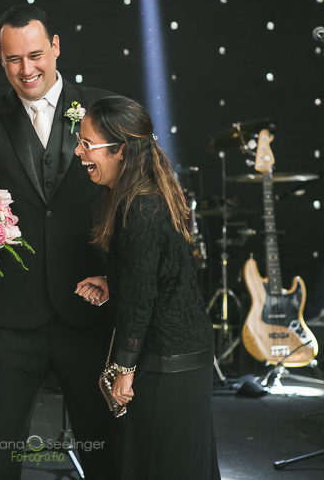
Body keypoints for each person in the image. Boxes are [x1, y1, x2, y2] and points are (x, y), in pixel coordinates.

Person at [0, 5, 122, 479]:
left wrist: (117, 275)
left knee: (108, 451)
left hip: (90, 309)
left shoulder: (104, 111)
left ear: (57, 47)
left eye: (36, 55)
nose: (27, 70)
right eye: (13, 60)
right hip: (9, 314)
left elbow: (135, 202)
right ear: (0, 59)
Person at [74, 96, 221, 479]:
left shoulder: (139, 206)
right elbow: (161, 270)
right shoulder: (146, 194)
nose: (79, 151)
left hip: (168, 359)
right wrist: (114, 280)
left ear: (120, 150)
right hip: (183, 351)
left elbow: (142, 298)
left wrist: (124, 367)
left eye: (87, 143)